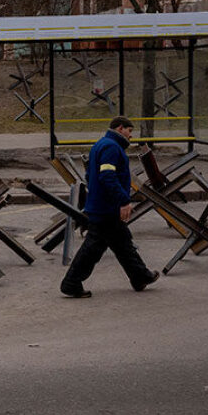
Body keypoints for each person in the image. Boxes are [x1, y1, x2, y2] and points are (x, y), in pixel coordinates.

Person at [60, 116, 160, 298]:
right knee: (94, 247)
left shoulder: (101, 144)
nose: (130, 136)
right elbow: (107, 176)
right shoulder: (111, 148)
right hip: (107, 207)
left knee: (121, 242)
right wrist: (123, 200)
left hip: (102, 204)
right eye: (129, 131)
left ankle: (140, 276)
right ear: (120, 128)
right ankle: (71, 282)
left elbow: (90, 174)